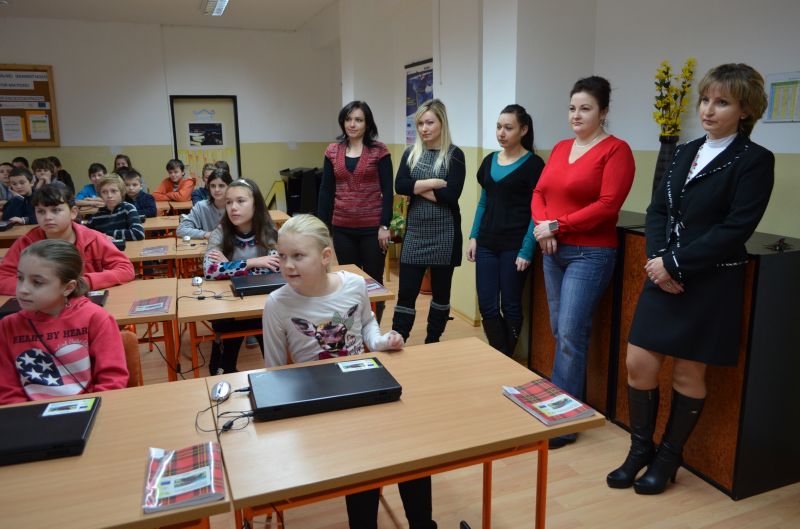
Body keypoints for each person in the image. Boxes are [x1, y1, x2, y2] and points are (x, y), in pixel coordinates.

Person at [607, 63, 774, 495]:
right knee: (639, 363)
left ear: (745, 110)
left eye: (722, 102)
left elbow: (736, 228)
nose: (708, 110)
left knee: (687, 373)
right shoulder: (684, 151)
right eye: (705, 100)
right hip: (663, 273)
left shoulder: (755, 160)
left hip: (709, 280)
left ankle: (668, 458)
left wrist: (675, 264)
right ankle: (639, 449)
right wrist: (658, 260)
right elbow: (657, 210)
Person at [261, 214, 434, 529]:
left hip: (361, 384)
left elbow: (366, 324)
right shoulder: (277, 304)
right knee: (364, 460)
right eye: (282, 256)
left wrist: (380, 342)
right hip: (317, 400)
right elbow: (274, 371)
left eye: (298, 256)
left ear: (325, 257)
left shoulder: (353, 285)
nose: (288, 265)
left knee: (411, 449)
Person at [531, 76, 635, 448]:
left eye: (585, 108)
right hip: (552, 251)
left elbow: (608, 206)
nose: (576, 115)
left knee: (571, 333)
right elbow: (539, 192)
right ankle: (568, 403)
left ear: (603, 112)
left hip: (590, 253)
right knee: (560, 331)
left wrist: (557, 225)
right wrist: (544, 229)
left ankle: (563, 421)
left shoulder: (617, 150)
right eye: (572, 108)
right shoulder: (561, 148)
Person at [0, 239, 129, 405]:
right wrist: (26, 415)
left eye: (37, 282)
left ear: (68, 288)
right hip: (29, 415)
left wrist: (91, 409)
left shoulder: (96, 319)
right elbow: (7, 391)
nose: (23, 289)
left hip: (90, 409)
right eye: (20, 278)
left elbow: (112, 380)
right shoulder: (7, 326)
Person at [466, 104, 544, 355]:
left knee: (510, 305)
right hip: (487, 244)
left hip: (515, 247)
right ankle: (502, 357)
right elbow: (483, 202)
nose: (501, 133)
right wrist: (474, 236)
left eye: (508, 128)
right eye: (499, 127)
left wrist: (527, 250)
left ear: (523, 130)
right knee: (487, 306)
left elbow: (537, 212)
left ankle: (502, 359)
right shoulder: (489, 161)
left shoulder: (534, 165)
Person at [392, 99, 465, 344]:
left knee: (441, 294)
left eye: (430, 122)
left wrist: (415, 187)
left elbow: (451, 195)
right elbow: (399, 185)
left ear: (442, 123)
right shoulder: (410, 153)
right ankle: (399, 337)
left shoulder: (455, 155)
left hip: (445, 233)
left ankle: (433, 339)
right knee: (406, 292)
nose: (424, 128)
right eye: (420, 123)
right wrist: (432, 183)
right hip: (416, 233)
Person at [317, 100, 393, 323]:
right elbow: (326, 190)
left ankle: (373, 330)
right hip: (342, 228)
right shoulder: (332, 151)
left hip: (373, 230)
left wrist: (384, 225)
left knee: (374, 283)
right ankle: (352, 330)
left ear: (367, 124)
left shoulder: (379, 151)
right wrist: (321, 229)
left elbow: (388, 191)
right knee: (348, 282)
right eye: (348, 119)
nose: (352, 124)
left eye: (358, 120)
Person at [0, 184, 135, 295]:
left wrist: (84, 283)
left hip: (84, 303)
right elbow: (3, 278)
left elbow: (125, 269)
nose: (47, 217)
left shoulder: (94, 238)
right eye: (41, 211)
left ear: (73, 212)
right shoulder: (26, 243)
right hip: (42, 308)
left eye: (56, 210)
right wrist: (40, 287)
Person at [203, 178, 279, 374]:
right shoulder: (220, 233)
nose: (233, 208)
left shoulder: (269, 232)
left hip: (263, 307)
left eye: (240, 201)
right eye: (229, 202)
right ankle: (226, 371)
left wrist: (227, 267)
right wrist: (252, 263)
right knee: (222, 366)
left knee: (277, 365)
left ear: (256, 204)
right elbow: (210, 271)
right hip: (229, 308)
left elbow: (275, 269)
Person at [178, 168, 231, 239]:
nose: (216, 190)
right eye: (213, 186)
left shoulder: (235, 207)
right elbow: (181, 230)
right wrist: (207, 234)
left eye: (221, 186)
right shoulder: (201, 206)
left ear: (229, 187)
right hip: (208, 245)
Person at [87, 175, 145, 241]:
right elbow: (85, 236)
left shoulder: (128, 208)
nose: (109, 196)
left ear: (121, 192)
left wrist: (107, 235)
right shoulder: (96, 216)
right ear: (100, 195)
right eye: (104, 192)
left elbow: (139, 233)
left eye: (114, 191)